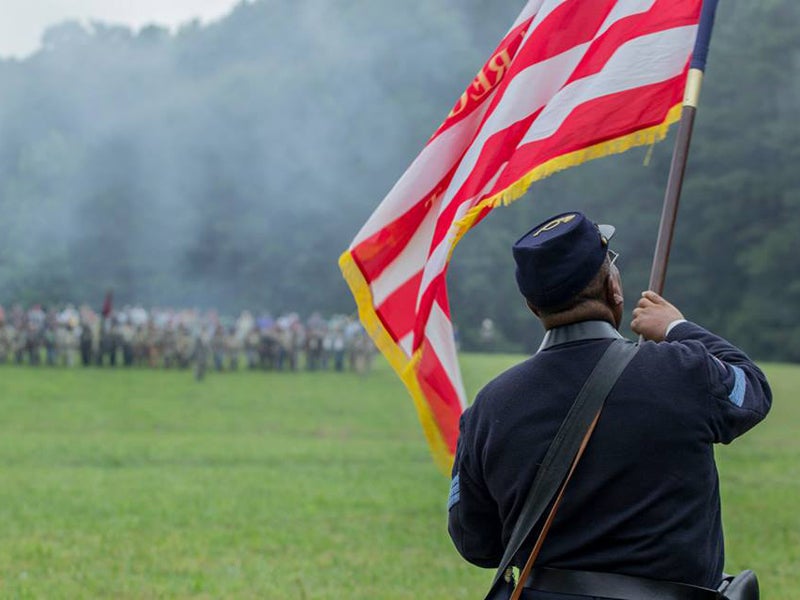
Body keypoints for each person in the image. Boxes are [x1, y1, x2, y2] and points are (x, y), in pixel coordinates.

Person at [447, 212, 771, 599]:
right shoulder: (683, 370)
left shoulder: (489, 406)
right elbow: (751, 390)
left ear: (534, 306)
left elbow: (475, 541)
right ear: (613, 287)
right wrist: (677, 328)